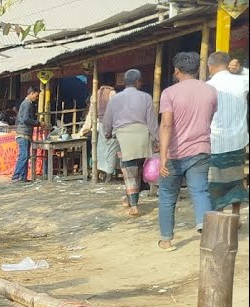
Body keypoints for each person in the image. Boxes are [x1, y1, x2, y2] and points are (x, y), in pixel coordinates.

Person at [157, 51, 217, 252]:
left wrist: (162, 156)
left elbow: (166, 125)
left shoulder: (169, 93)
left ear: (177, 71)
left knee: (167, 195)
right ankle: (204, 227)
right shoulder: (210, 91)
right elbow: (210, 116)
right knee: (200, 191)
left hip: (174, 153)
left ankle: (166, 240)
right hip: (201, 149)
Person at [102, 69, 158, 216]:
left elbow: (107, 121)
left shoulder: (114, 99)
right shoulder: (146, 97)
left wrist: (107, 134)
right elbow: (152, 123)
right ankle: (129, 199)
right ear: (138, 81)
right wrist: (158, 138)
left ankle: (134, 206)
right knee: (138, 171)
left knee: (129, 172)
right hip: (142, 137)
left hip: (123, 138)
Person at [206, 51, 249, 216]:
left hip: (215, 142)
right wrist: (241, 70)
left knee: (215, 184)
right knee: (236, 181)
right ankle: (236, 216)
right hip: (238, 141)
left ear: (210, 66)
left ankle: (219, 216)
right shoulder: (241, 80)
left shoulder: (208, 85)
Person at [10, 86, 41, 183]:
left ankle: (23, 177)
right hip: (23, 133)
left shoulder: (28, 103)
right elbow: (26, 119)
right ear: (32, 93)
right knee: (23, 156)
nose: (37, 98)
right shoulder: (27, 103)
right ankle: (16, 176)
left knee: (25, 156)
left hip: (26, 133)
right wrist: (38, 123)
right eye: (36, 95)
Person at [95, 72, 121, 181]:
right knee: (112, 148)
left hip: (100, 123)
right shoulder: (112, 93)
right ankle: (110, 174)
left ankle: (102, 171)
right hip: (111, 123)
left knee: (102, 149)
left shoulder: (96, 92)